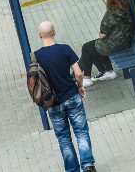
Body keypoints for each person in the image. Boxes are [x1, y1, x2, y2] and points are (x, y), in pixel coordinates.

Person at [33, 22, 97, 172]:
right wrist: (80, 86)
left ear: (39, 35)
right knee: (81, 132)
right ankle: (88, 165)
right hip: (72, 96)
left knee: (64, 139)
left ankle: (73, 169)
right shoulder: (65, 49)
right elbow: (79, 73)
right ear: (54, 32)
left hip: (53, 102)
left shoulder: (36, 56)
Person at [79, 0, 134, 87]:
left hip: (114, 44)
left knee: (87, 47)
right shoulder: (128, 9)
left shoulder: (112, 13)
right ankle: (108, 72)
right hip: (124, 42)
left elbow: (102, 34)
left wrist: (100, 34)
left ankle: (86, 78)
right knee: (93, 48)